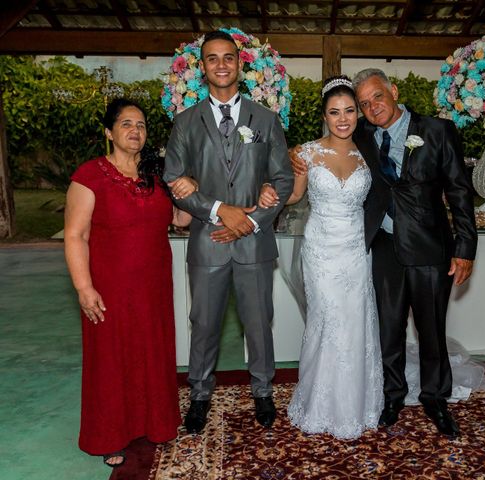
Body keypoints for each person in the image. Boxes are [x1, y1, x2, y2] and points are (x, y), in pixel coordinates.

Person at [163, 30, 294, 433]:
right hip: (208, 241)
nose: (221, 64)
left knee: (259, 323)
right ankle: (199, 395)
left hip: (255, 241)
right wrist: (221, 211)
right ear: (202, 67)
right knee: (203, 323)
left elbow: (283, 178)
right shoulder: (185, 122)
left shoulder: (266, 119)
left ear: (240, 64)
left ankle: (262, 390)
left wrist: (251, 221)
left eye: (228, 58)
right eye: (212, 58)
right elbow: (174, 178)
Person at [64, 98, 193, 467]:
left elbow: (180, 221)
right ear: (109, 132)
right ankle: (110, 436)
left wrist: (186, 185)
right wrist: (84, 288)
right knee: (111, 358)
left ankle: (156, 426)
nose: (135, 131)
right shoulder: (89, 175)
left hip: (153, 286)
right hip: (109, 287)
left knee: (152, 352)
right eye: (126, 124)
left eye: (140, 125)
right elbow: (75, 236)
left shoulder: (156, 173)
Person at [351, 68, 477, 438]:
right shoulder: (360, 135)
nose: (372, 107)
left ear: (393, 90)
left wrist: (465, 247)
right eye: (363, 104)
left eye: (377, 96)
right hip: (384, 247)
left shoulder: (437, 130)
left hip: (430, 246)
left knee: (431, 329)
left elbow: (459, 192)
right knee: (388, 328)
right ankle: (392, 396)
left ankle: (435, 398)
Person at [259, 75, 383, 439]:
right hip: (320, 251)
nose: (342, 119)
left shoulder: (370, 151)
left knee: (355, 323)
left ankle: (357, 403)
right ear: (324, 116)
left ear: (358, 113)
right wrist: (271, 189)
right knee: (326, 321)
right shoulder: (305, 153)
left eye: (349, 110)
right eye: (334, 112)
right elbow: (295, 197)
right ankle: (319, 402)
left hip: (357, 250)